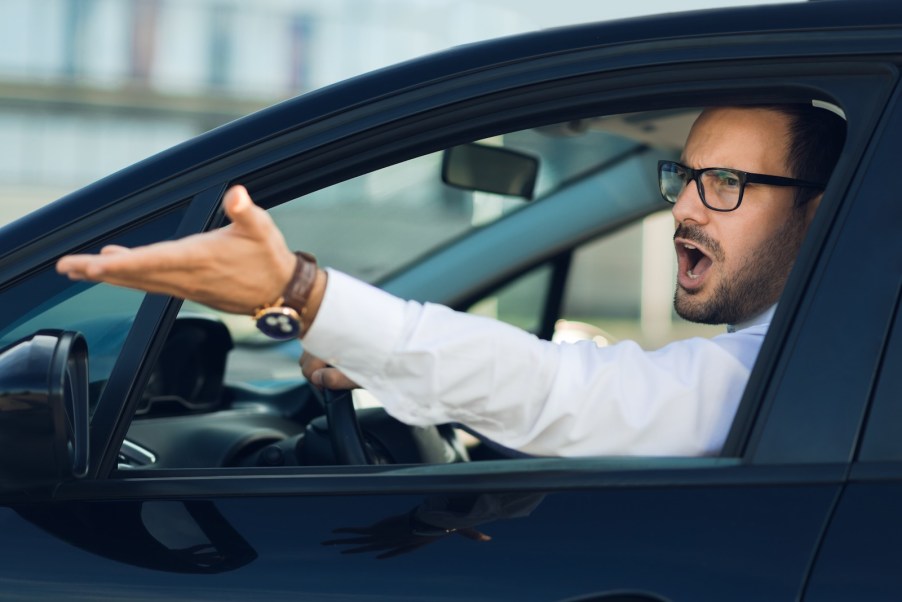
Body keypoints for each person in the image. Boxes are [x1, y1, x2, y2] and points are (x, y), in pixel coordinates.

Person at [56, 104, 845, 457]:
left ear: (814, 215)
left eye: (728, 183)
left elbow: (560, 394)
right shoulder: (818, 362)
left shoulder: (805, 379)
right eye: (686, 177)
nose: (685, 210)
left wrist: (303, 294)